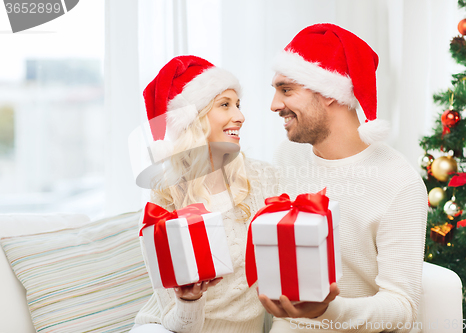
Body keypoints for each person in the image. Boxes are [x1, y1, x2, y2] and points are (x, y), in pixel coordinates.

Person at [261, 23, 428, 333]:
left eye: (286, 90)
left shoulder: (399, 183)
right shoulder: (288, 156)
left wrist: (325, 310)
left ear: (329, 94)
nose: (274, 105)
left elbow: (402, 308)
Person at [130, 55, 278, 333]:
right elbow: (176, 321)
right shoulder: (164, 197)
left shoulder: (263, 178)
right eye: (224, 105)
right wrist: (189, 299)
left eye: (238, 104)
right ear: (193, 119)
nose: (240, 116)